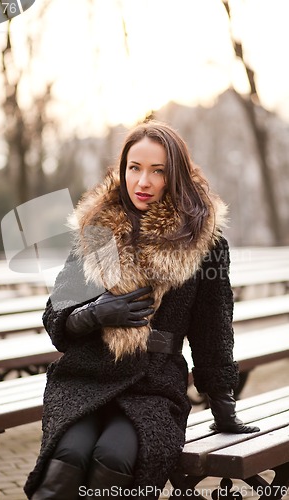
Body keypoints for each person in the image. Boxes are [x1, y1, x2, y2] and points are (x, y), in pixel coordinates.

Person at [24, 120, 259, 500]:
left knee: (112, 459)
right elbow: (56, 318)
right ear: (123, 170)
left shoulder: (204, 242)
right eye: (134, 168)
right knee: (66, 459)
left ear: (175, 176)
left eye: (157, 170)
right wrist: (95, 314)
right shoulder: (98, 229)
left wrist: (223, 403)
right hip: (87, 377)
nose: (143, 181)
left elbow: (213, 331)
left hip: (154, 386)